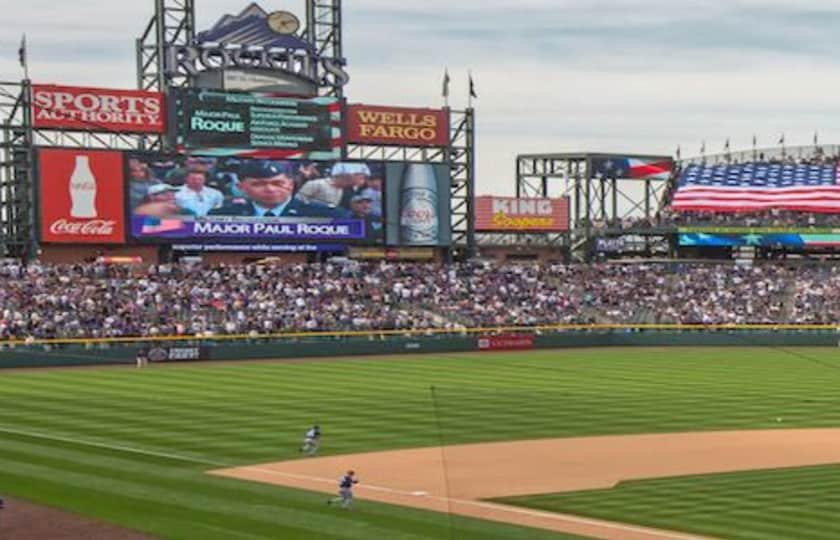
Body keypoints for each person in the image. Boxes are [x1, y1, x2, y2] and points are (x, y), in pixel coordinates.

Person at [209, 160, 348, 218]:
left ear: (291, 184)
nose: (270, 189)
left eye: (278, 183)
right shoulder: (222, 215)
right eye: (258, 184)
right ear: (241, 187)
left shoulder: (326, 214)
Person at [296, 162, 371, 210]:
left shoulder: (342, 190)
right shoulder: (316, 184)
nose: (363, 181)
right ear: (348, 174)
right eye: (361, 177)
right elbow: (296, 204)